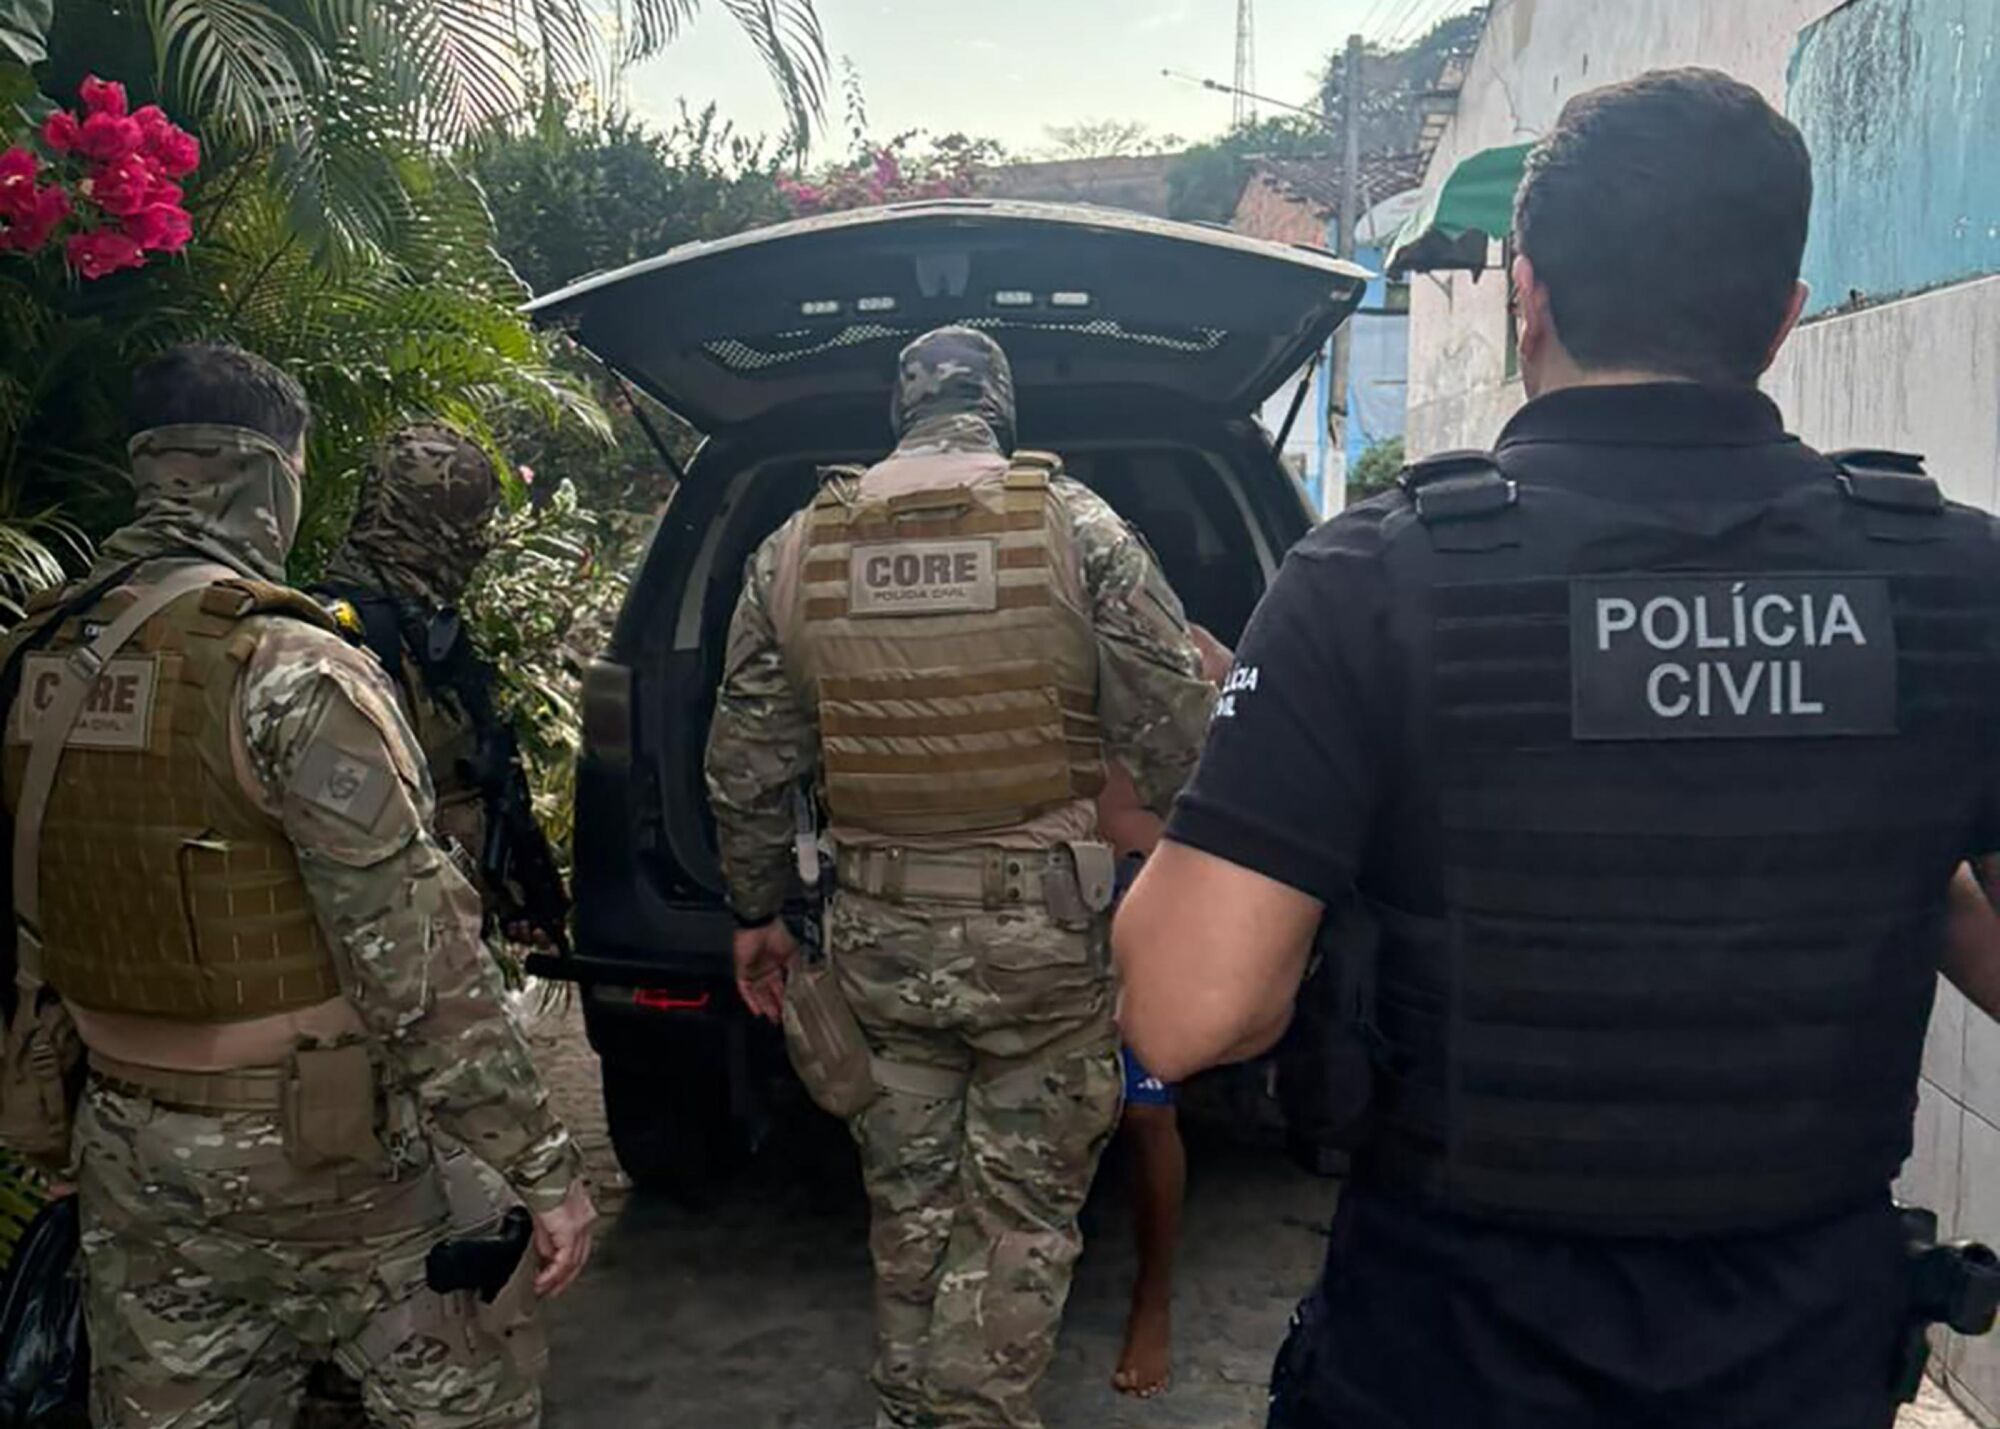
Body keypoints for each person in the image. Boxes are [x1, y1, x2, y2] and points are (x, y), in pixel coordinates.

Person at [1115, 68, 2000, 1429]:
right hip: (1802, 1364)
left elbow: (1186, 1010)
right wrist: (1882, 854)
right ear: (1782, 318)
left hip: (1447, 1361)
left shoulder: (1376, 583)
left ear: (1525, 294)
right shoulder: (1956, 586)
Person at [0, 344, 596, 1428]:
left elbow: (33, 914)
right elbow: (414, 954)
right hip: (329, 1158)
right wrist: (540, 1166)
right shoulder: (286, 666)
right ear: (274, 475)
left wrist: (52, 1132)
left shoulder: (37, 655)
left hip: (128, 1142)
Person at [705, 326, 1215, 1429]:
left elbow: (745, 764)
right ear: (999, 409)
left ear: (901, 412)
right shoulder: (1077, 527)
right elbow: (1178, 724)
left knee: (908, 1211)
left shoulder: (796, 549)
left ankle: (909, 1408)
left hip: (879, 944)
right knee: (1018, 1222)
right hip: (1043, 947)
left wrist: (755, 911)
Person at [313, 424, 570, 951]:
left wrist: (510, 890)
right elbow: (344, 821)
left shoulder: (427, 631)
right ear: (441, 527)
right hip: (382, 944)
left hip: (437, 931)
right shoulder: (334, 638)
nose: (480, 544)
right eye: (473, 525)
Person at [1096, 625, 1231, 1402]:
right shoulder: (1019, 617)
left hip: (1139, 893)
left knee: (1147, 1115)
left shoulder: (1172, 641)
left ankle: (1152, 1302)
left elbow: (1239, 702)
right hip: (1031, 904)